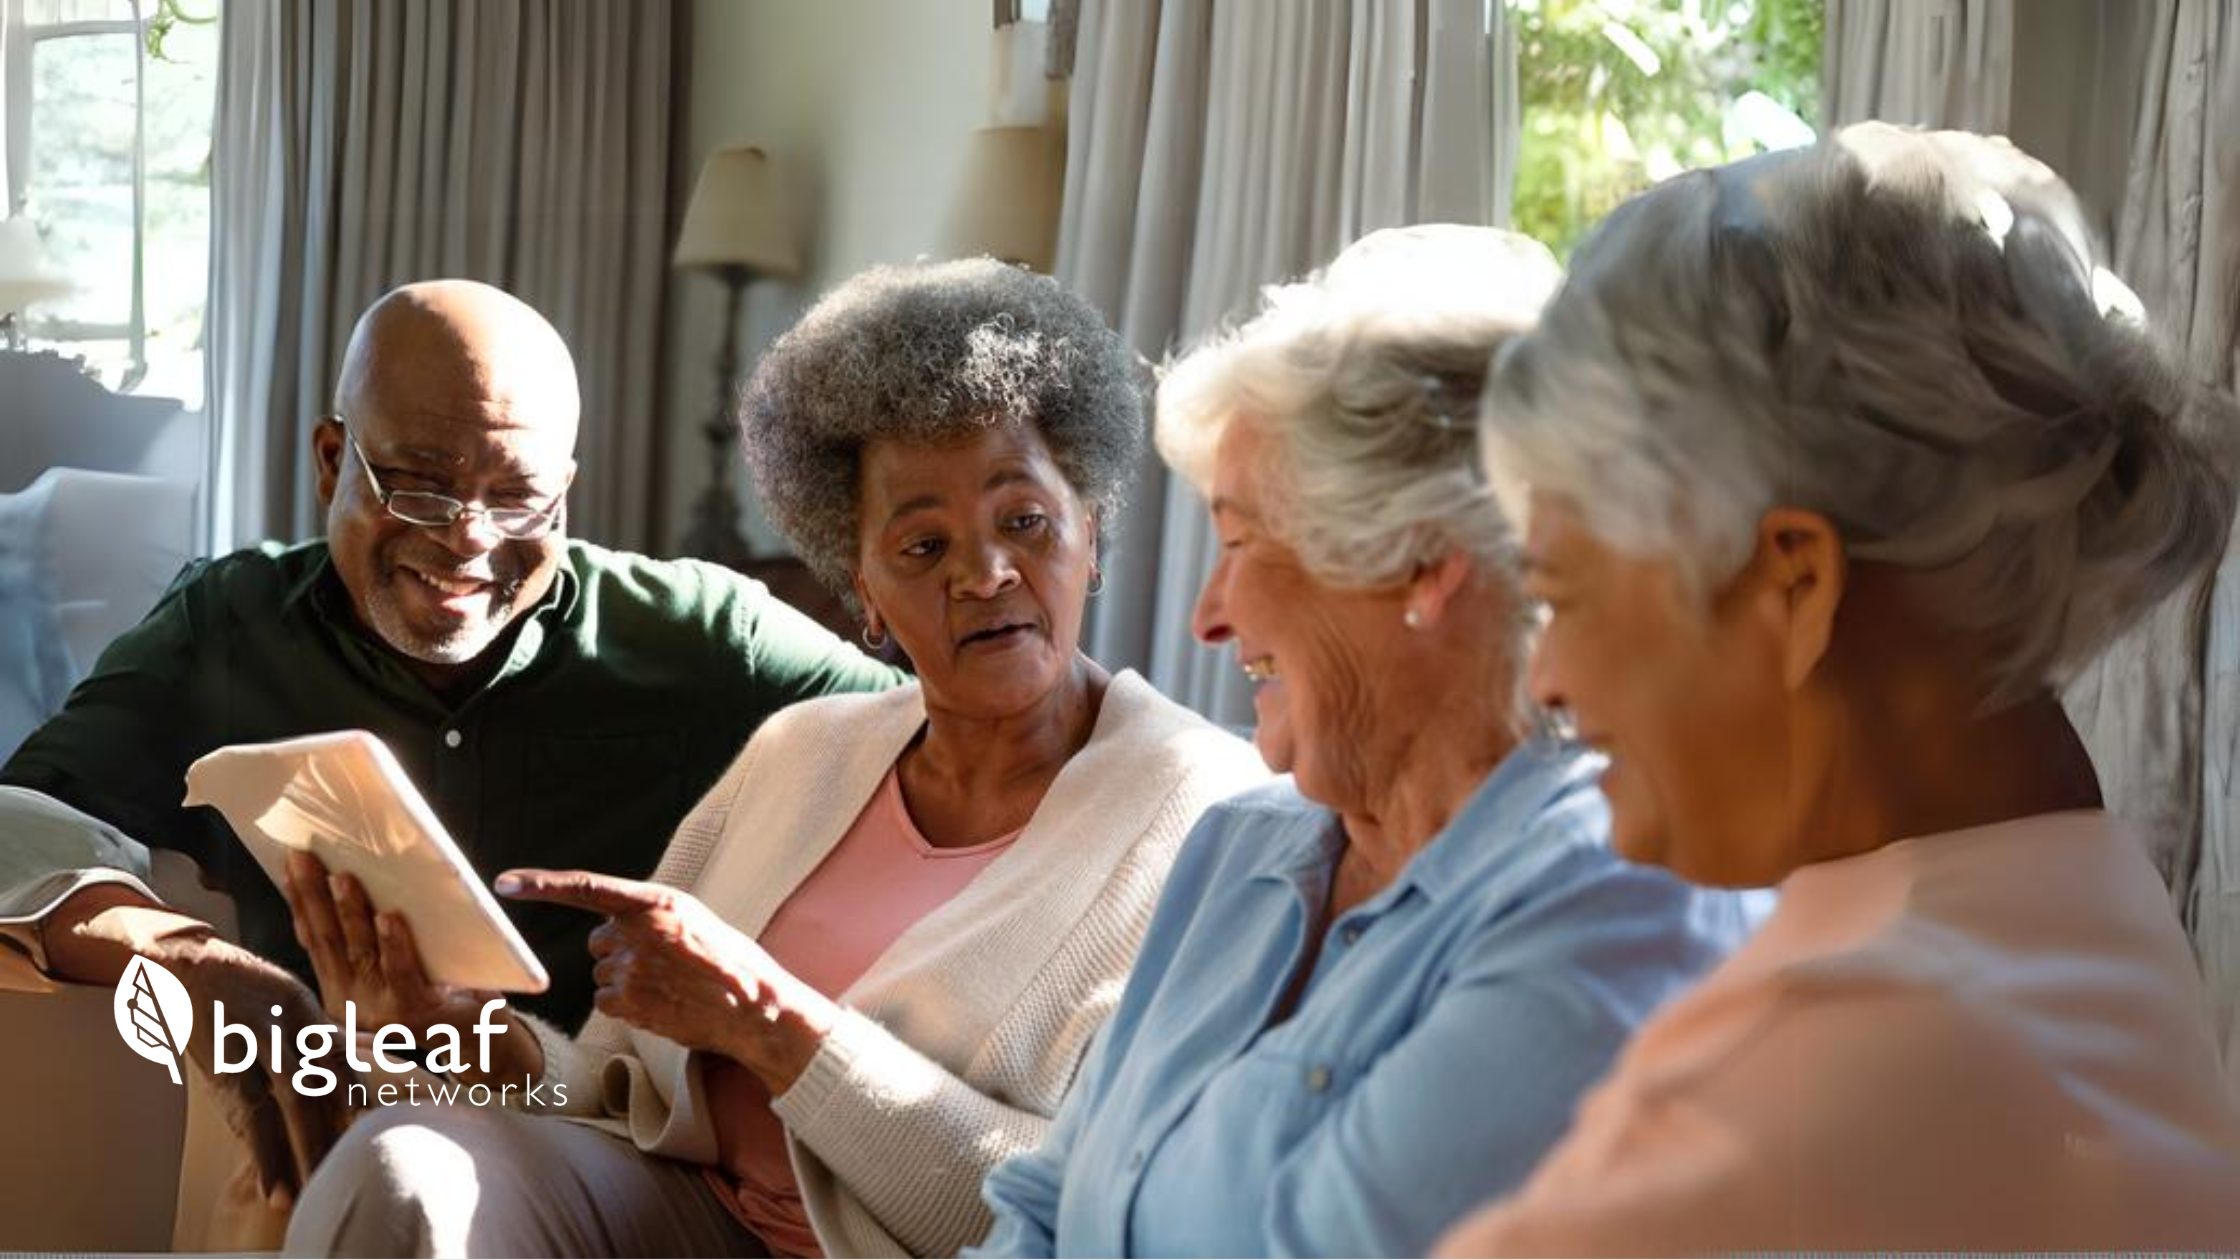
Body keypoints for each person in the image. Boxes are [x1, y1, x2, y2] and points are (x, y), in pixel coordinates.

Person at [281, 258, 1270, 1258]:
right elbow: (606, 1092)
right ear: (864, 596)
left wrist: (767, 1023)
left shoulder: (1204, 815)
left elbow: (1094, 1208)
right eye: (922, 546)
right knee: (405, 1165)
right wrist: (461, 1035)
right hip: (684, 1220)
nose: (984, 575)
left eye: (1023, 522)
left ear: (1089, 535)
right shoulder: (805, 754)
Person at [1440, 126, 2240, 1254]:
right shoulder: (2084, 901)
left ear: (1793, 584)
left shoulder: (1834, 1066)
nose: (1545, 679)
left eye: (1563, 595)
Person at [0, 280, 900, 1196]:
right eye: (420, 483)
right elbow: (17, 823)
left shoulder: (705, 643)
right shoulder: (228, 630)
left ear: (566, 491)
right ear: (329, 460)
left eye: (518, 496)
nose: (469, 539)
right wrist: (181, 960)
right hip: (327, 1158)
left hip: (607, 1177)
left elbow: (938, 743)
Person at [967, 226, 1759, 1258]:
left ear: (1421, 563)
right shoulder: (1238, 848)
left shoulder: (1624, 891)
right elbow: (1042, 1205)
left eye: (1241, 540)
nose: (1206, 614)